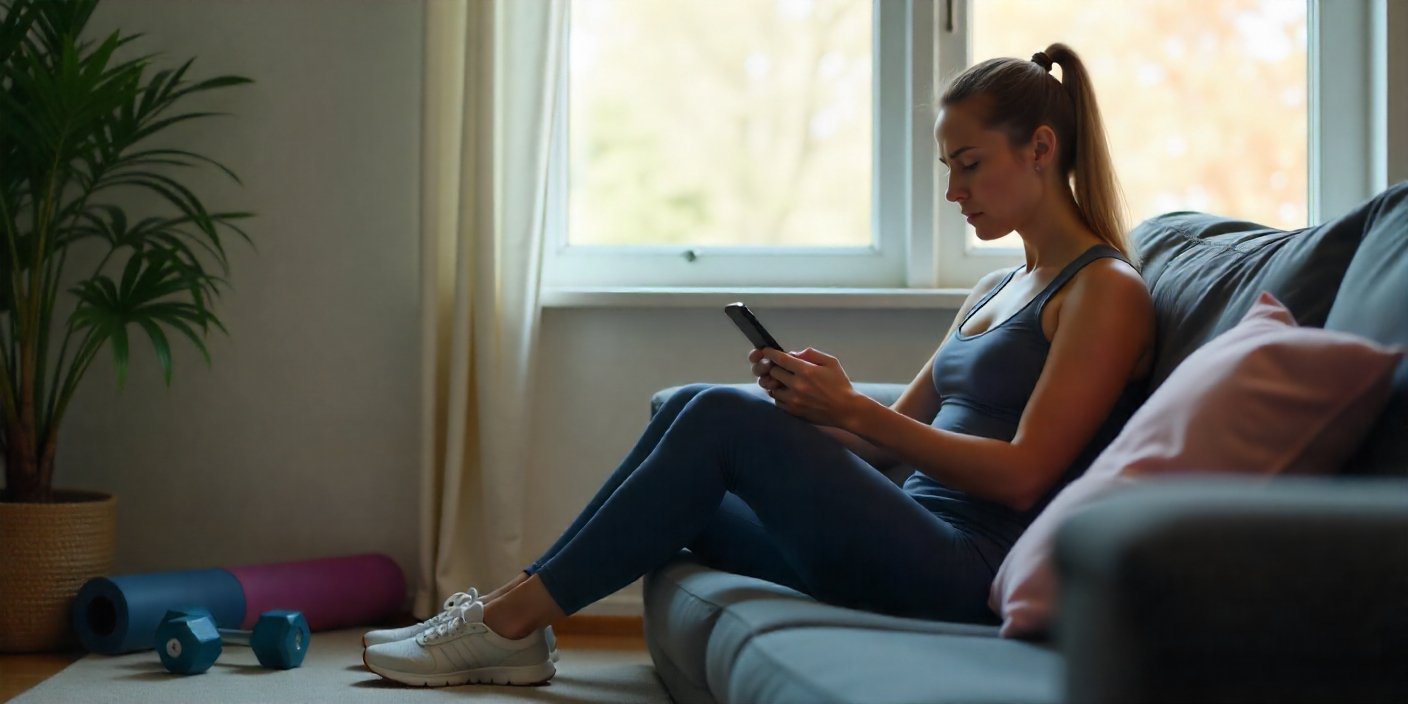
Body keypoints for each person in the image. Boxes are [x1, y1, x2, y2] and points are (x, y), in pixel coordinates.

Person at [361, 42, 1155, 688]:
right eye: (949, 166)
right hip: (902, 533)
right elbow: (887, 438)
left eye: (970, 164)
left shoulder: (1104, 291)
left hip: (964, 573)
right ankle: (511, 612)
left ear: (1040, 148)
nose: (953, 191)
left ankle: (505, 627)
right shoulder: (997, 286)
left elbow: (1024, 475)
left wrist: (849, 409)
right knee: (691, 409)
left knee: (718, 418)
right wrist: (811, 404)